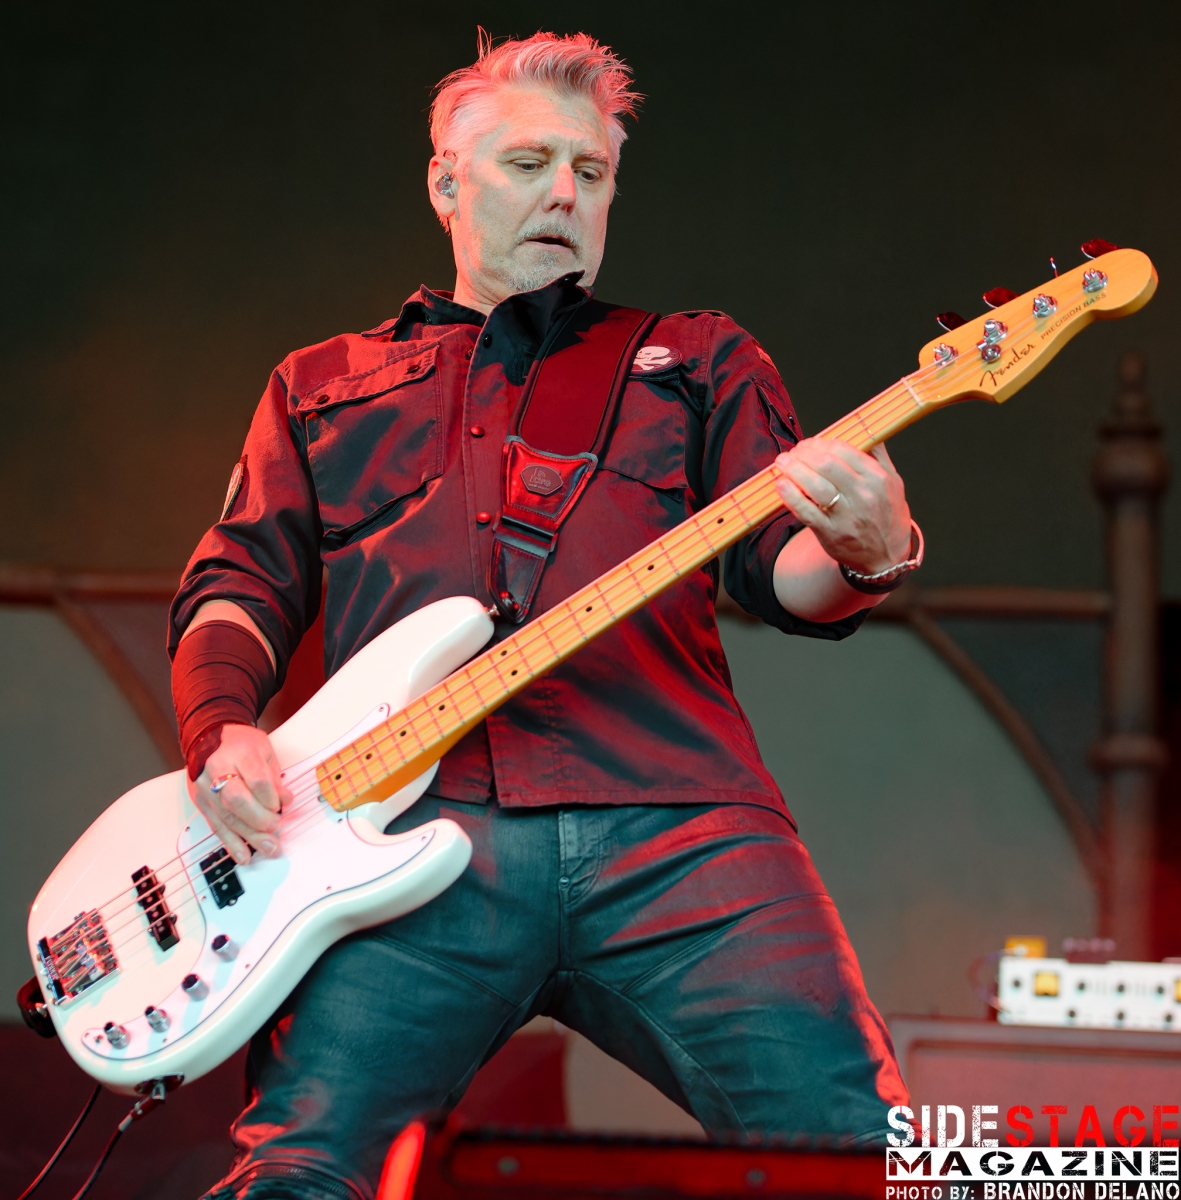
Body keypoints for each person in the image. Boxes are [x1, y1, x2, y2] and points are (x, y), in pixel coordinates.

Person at [169, 31, 914, 1200]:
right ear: (445, 182)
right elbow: (236, 587)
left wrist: (866, 555)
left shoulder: (695, 358)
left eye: (591, 171)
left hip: (678, 828)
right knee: (303, 1175)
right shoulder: (318, 385)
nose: (564, 192)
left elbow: (785, 573)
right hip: (400, 836)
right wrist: (221, 733)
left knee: (865, 1153)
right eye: (527, 163)